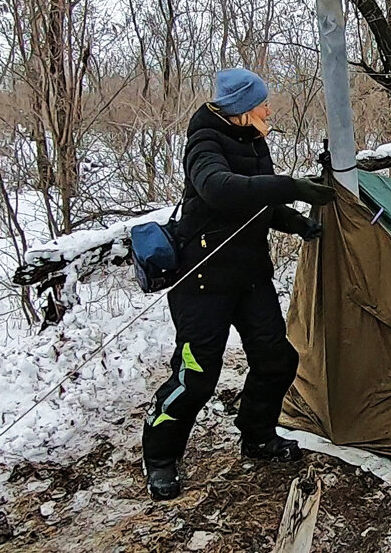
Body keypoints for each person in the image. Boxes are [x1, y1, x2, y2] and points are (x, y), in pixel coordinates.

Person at [142, 68, 336, 501]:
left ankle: (257, 435)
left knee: (277, 360)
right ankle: (160, 457)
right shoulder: (205, 140)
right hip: (202, 281)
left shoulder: (254, 140)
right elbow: (220, 189)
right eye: (263, 104)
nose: (269, 110)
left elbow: (257, 201)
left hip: (250, 276)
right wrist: (290, 186)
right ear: (243, 109)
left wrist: (294, 221)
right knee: (196, 376)